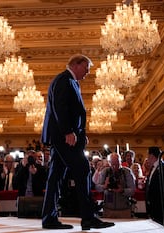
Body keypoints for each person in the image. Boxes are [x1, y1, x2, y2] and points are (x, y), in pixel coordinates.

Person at [41, 54, 114, 230]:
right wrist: (68, 132)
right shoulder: (64, 80)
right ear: (76, 64)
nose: (87, 73)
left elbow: (73, 112)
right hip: (63, 137)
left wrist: (80, 133)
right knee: (82, 170)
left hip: (65, 137)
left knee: (56, 177)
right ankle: (88, 218)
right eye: (86, 68)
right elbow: (60, 107)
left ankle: (49, 219)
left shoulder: (69, 81)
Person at [95, 152, 135, 218]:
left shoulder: (127, 172)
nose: (115, 166)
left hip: (124, 209)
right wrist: (104, 186)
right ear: (109, 162)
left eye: (117, 164)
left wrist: (122, 190)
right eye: (113, 164)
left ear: (120, 161)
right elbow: (97, 187)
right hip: (108, 209)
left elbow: (132, 190)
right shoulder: (105, 171)